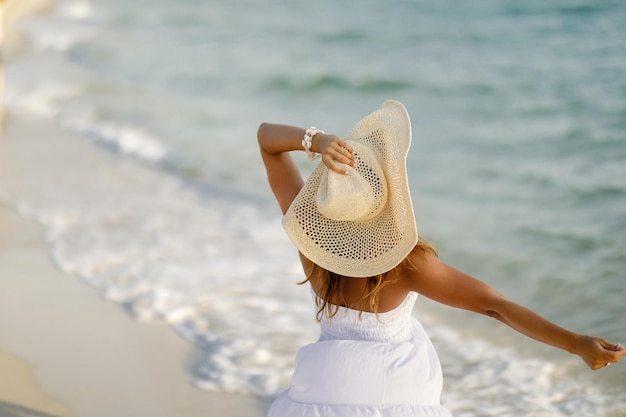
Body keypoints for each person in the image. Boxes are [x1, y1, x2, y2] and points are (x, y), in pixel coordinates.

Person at [257, 100, 624, 417]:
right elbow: (495, 306)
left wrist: (317, 141)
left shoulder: (309, 239)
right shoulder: (404, 266)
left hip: (322, 392)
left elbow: (267, 141)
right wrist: (575, 343)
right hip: (395, 396)